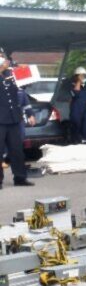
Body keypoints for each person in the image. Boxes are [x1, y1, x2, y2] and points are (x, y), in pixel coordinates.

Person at [0, 51, 34, 188]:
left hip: (14, 119)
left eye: (3, 58)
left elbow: (23, 91)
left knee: (17, 150)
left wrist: (22, 70)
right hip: (0, 120)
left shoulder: (11, 76)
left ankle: (20, 177)